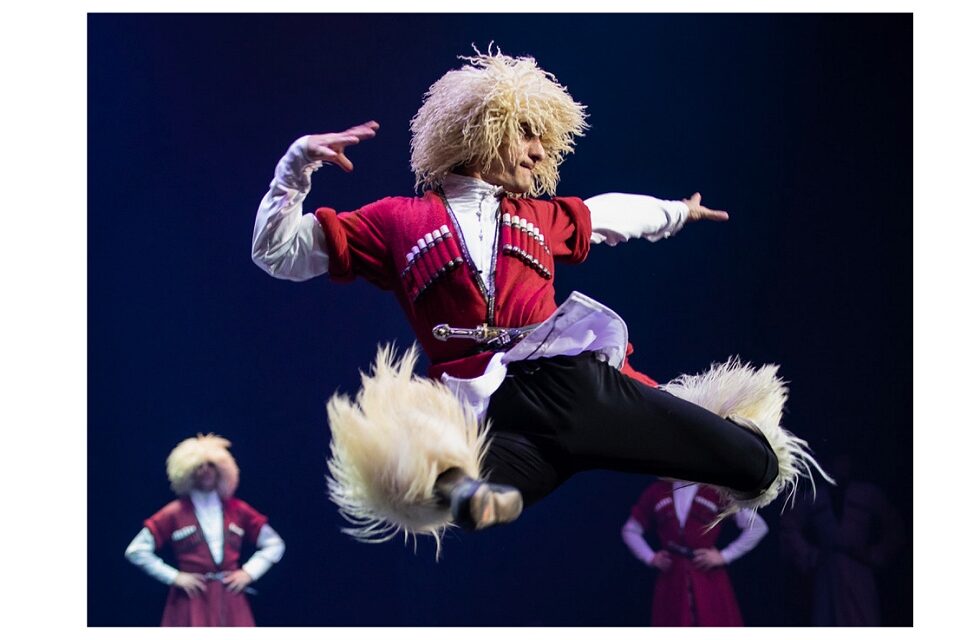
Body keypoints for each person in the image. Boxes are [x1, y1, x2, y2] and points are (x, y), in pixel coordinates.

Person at [252, 48, 828, 552]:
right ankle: (478, 495)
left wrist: (678, 211)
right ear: (482, 129)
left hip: (579, 391)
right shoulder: (396, 221)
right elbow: (278, 254)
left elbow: (610, 215)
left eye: (542, 142)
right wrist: (294, 168)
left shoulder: (537, 215)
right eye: (526, 133)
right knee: (449, 485)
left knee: (760, 464)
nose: (538, 152)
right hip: (499, 417)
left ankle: (493, 488)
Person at [124, 434, 286, 626]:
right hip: (192, 600)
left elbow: (274, 543)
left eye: (211, 465)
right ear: (187, 472)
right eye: (199, 467)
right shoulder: (174, 513)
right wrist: (174, 577)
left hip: (230, 599)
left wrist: (249, 573)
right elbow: (136, 550)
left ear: (222, 470)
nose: (206, 471)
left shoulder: (238, 510)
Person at [622, 479, 768, 626]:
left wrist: (724, 556)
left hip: (708, 578)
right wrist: (651, 557)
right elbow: (630, 530)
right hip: (672, 580)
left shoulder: (715, 491)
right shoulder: (657, 491)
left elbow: (757, 527)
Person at [780, 453, 903, 626]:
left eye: (843, 461)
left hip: (859, 569)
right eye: (834, 461)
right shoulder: (814, 497)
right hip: (827, 572)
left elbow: (894, 526)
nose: (839, 466)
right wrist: (811, 556)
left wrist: (875, 555)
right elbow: (789, 525)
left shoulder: (867, 494)